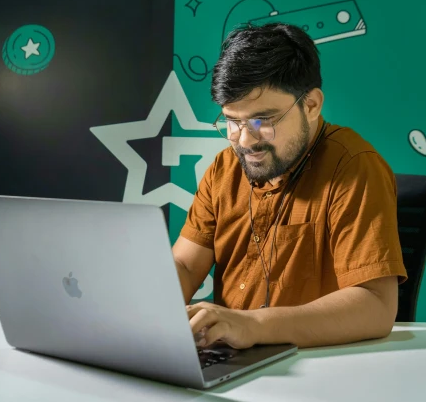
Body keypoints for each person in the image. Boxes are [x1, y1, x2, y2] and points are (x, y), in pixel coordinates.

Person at [172, 22, 407, 350]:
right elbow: (184, 264)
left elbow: (377, 307)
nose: (244, 140)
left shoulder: (354, 166)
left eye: (261, 121)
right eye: (231, 121)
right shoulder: (224, 170)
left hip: (315, 367)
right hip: (228, 358)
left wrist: (251, 324)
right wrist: (141, 310)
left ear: (311, 105)